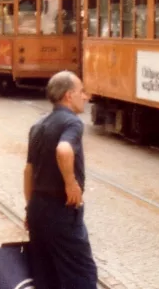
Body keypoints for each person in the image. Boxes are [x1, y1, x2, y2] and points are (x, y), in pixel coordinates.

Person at [24, 71, 98, 289]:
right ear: (68, 95)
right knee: (81, 275)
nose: (85, 97)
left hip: (38, 209)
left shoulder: (38, 126)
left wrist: (30, 209)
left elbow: (28, 171)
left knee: (47, 278)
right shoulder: (72, 123)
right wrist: (70, 182)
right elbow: (64, 150)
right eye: (81, 92)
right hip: (61, 210)